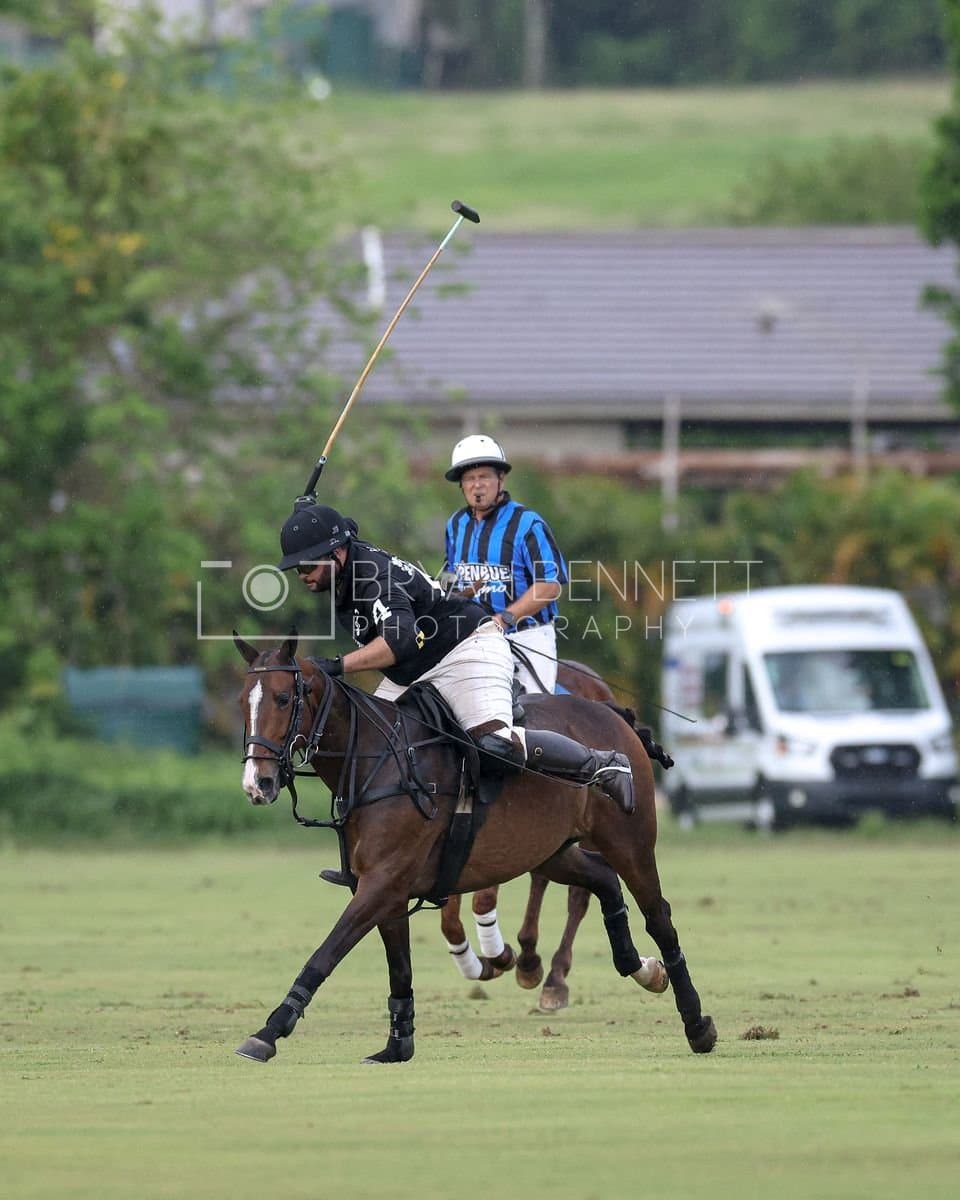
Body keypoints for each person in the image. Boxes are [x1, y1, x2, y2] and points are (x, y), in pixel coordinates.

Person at [276, 503, 635, 863]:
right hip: (416, 667)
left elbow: (399, 640)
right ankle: (378, 850)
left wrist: (337, 666)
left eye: (308, 564)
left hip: (465, 648)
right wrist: (307, 514)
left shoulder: (373, 577)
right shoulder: (344, 563)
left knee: (496, 742)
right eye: (298, 568)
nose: (303, 574)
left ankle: (601, 764)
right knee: (367, 746)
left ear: (337, 553)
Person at [443, 435, 565, 695]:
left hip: (526, 637)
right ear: (461, 485)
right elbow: (450, 581)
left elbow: (549, 586)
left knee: (532, 716)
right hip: (472, 639)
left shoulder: (528, 523)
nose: (477, 486)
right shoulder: (455, 525)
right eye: (469, 479)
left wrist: (504, 619)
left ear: (501, 479)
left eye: (484, 476)